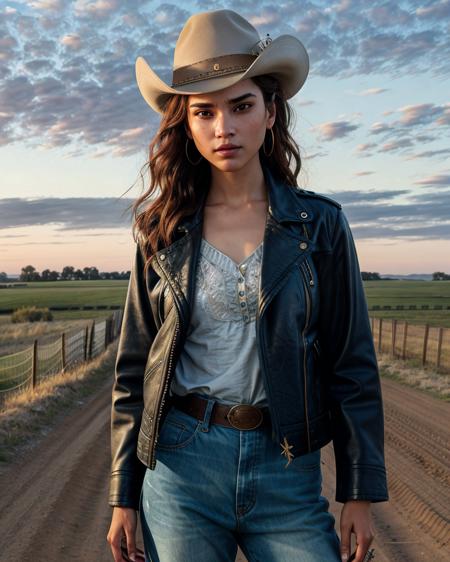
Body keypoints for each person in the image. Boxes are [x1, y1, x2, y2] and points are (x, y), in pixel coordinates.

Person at [107, 9, 388, 562]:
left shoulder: (320, 227)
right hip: (182, 465)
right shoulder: (161, 231)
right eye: (204, 112)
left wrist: (359, 491)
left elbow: (352, 363)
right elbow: (133, 369)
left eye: (241, 106)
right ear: (184, 123)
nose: (223, 128)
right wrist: (124, 495)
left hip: (287, 467)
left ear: (270, 110)